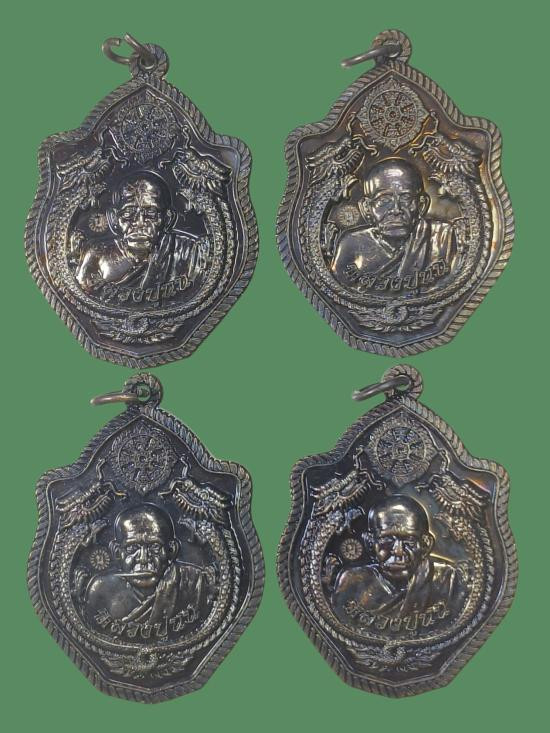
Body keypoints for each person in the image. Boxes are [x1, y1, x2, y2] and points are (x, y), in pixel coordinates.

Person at [330, 158, 457, 289]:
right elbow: (336, 287)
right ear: (367, 208)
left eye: (406, 198)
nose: (396, 210)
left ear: (421, 205)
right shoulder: (352, 244)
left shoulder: (441, 237)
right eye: (384, 200)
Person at [332, 495, 461, 622]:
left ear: (425, 545)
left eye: (409, 540)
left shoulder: (449, 579)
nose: (398, 551)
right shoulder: (352, 582)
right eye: (386, 540)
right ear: (370, 543)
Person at [86, 504, 211, 633]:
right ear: (117, 553)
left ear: (171, 550)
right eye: (132, 548)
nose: (143, 559)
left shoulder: (193, 582)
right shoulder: (100, 590)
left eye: (155, 547)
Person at [74, 173, 207, 293]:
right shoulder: (97, 255)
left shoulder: (190, 252)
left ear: (167, 219)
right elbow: (82, 290)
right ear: (114, 218)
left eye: (151, 213)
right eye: (128, 213)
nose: (140, 222)